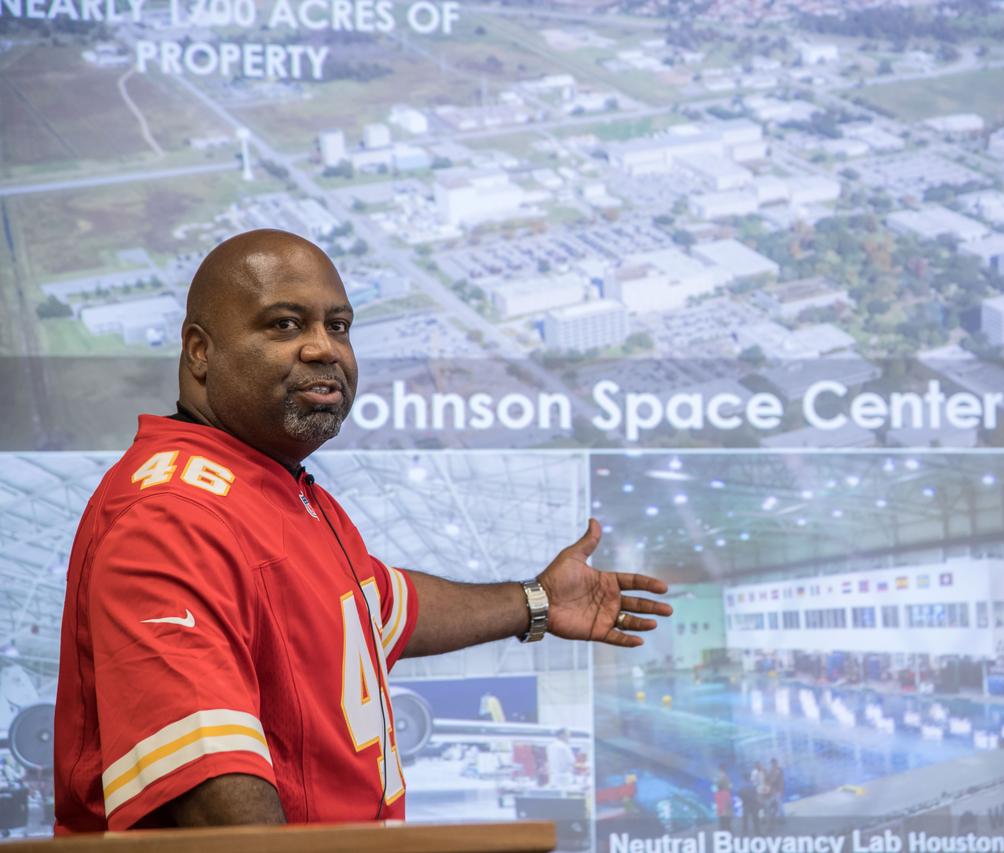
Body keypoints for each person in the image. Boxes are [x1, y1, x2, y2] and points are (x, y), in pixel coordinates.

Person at [53, 230, 672, 833]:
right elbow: (219, 808)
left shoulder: (277, 493)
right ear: (199, 351)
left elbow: (379, 609)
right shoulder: (172, 516)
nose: (324, 349)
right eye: (285, 325)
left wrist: (537, 600)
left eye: (339, 326)